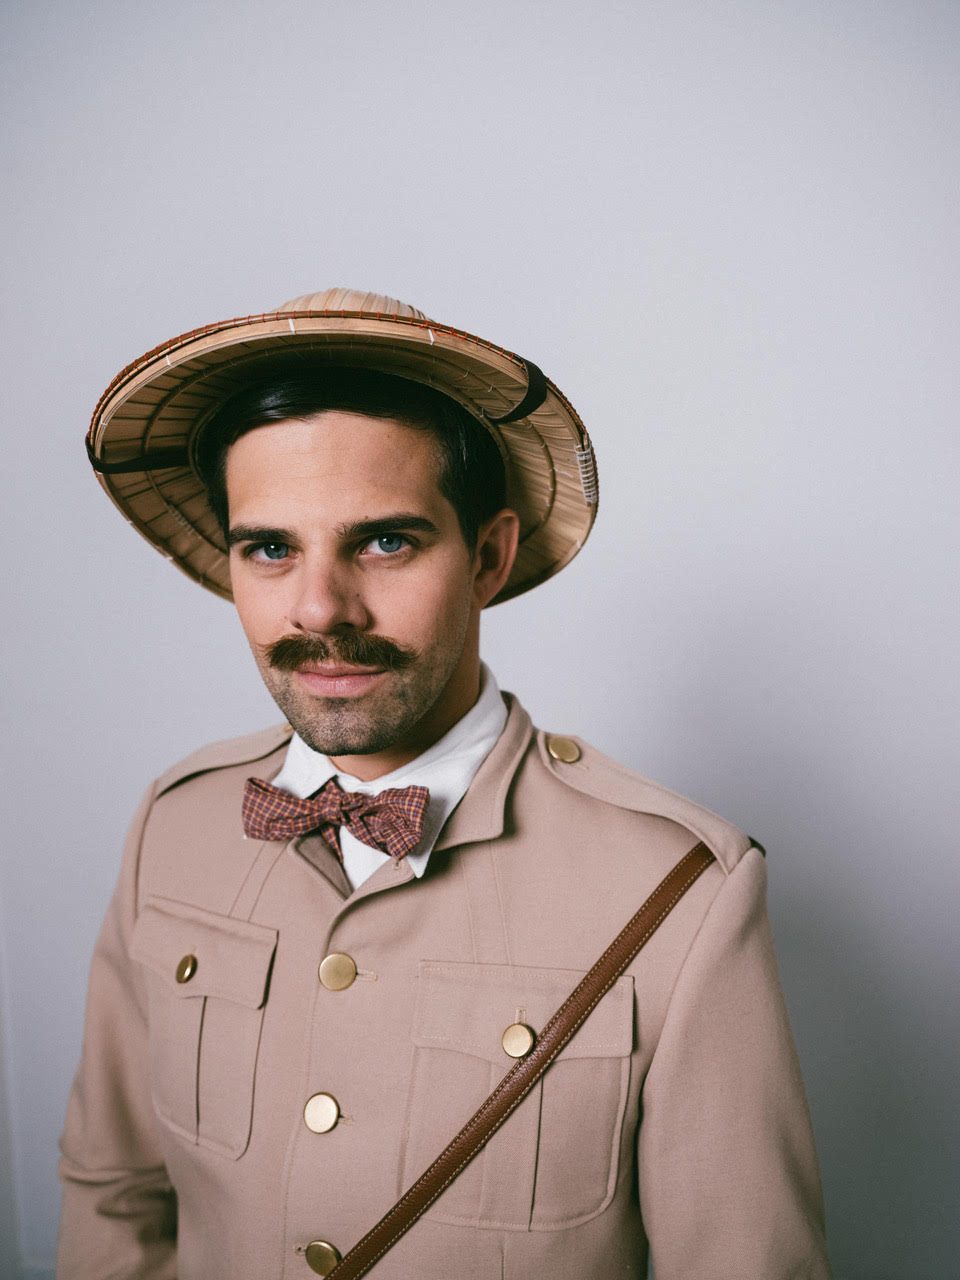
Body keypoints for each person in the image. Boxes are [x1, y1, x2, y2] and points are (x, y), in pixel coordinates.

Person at [59, 288, 831, 1279]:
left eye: (385, 540)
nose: (320, 608)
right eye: (271, 547)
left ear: (489, 557)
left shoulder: (682, 890)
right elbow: (112, 1195)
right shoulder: (176, 824)